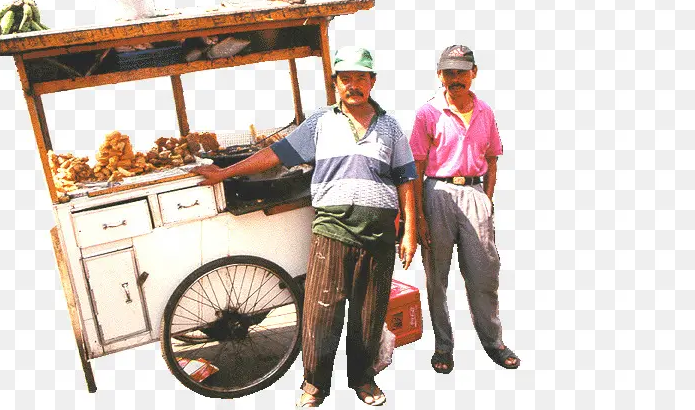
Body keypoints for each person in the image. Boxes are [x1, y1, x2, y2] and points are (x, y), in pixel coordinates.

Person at [193, 47, 417, 407]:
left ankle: (363, 380)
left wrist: (409, 232)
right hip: (332, 230)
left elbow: (407, 178)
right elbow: (275, 155)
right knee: (321, 312)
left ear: (373, 82)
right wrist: (224, 172)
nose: (353, 85)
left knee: (369, 313)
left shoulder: (390, 126)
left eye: (361, 77)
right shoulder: (320, 122)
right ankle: (314, 387)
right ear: (335, 84)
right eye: (346, 78)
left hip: (378, 234)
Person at [409, 45, 520, 374]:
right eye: (449, 72)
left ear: (474, 73)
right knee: (437, 279)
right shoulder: (427, 113)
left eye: (461, 71)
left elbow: (492, 159)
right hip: (437, 193)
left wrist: (487, 198)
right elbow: (415, 165)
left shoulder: (485, 112)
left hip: (473, 191)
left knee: (484, 272)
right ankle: (443, 346)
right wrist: (419, 217)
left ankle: (493, 342)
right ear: (439, 75)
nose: (455, 78)